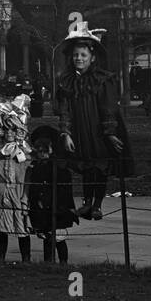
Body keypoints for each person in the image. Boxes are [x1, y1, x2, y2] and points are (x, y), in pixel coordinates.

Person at [55, 21, 134, 221]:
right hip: (79, 128)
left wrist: (110, 132)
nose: (79, 59)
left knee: (99, 167)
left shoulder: (102, 79)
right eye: (75, 55)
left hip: (98, 129)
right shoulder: (67, 81)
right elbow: (64, 109)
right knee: (85, 167)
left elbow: (108, 107)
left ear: (92, 57)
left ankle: (97, 204)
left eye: (83, 55)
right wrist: (66, 132)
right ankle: (86, 202)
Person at [0, 95, 32, 262]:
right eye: (7, 130)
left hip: (17, 194)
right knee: (1, 228)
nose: (9, 133)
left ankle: (26, 259)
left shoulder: (25, 154)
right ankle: (0, 259)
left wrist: (25, 198)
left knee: (22, 227)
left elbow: (28, 178)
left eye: (13, 130)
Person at [26, 124, 78, 263]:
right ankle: (49, 262)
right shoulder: (35, 167)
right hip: (42, 207)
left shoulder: (59, 168)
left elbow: (65, 189)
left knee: (59, 238)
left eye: (45, 151)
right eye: (39, 151)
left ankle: (63, 262)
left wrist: (69, 207)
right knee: (47, 237)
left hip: (57, 206)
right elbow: (33, 187)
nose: (42, 154)